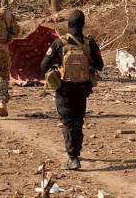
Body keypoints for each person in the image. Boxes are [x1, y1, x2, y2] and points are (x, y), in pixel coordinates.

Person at [40, 9, 104, 169]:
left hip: (64, 88)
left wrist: (57, 66)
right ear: (83, 24)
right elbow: (100, 65)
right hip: (83, 88)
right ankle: (76, 151)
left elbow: (43, 66)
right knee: (78, 120)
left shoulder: (59, 43)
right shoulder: (89, 43)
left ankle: (73, 157)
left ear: (68, 24)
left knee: (68, 121)